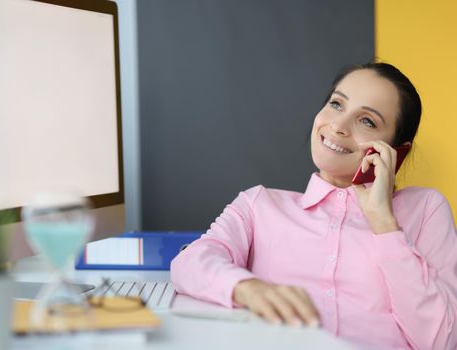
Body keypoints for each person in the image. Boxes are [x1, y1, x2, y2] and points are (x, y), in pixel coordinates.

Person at [170, 62, 457, 350]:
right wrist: (247, 289)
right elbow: (189, 263)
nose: (338, 126)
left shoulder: (426, 209)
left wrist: (384, 224)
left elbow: (443, 340)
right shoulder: (258, 205)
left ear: (397, 152)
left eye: (367, 121)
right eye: (336, 104)